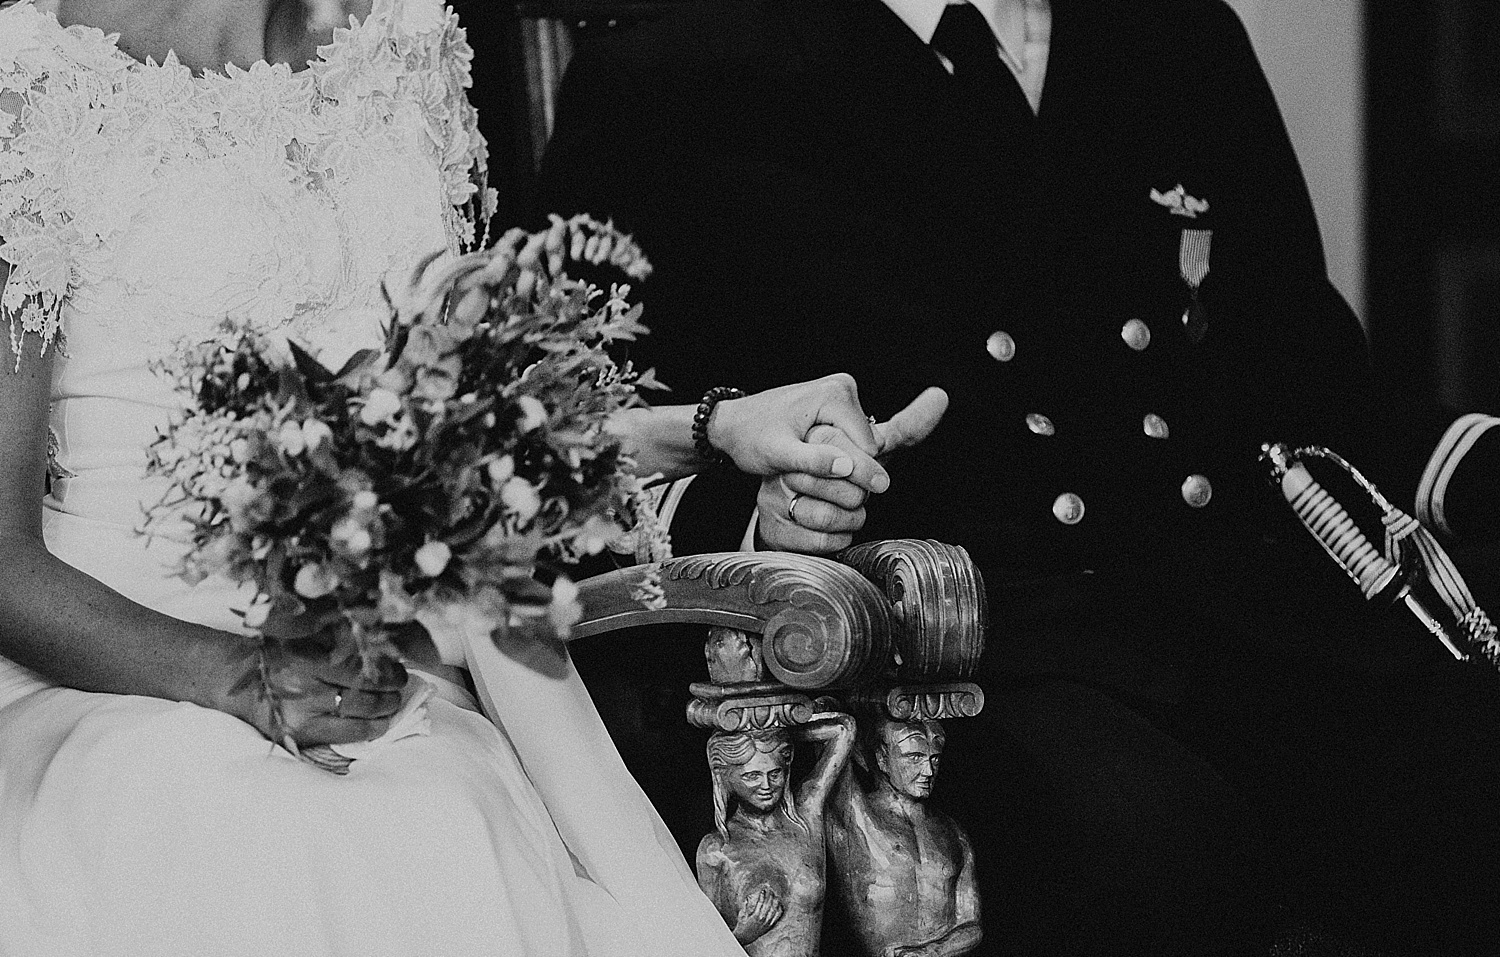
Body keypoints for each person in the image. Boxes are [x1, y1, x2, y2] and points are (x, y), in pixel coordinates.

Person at [535, 0, 1500, 953]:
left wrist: (1477, 460)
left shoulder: (1177, 34)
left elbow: (1308, 381)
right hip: (949, 661)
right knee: (1157, 848)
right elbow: (562, 455)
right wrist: (762, 521)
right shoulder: (677, 73)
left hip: (1223, 605)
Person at [0, 1, 947, 954]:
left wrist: (718, 428)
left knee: (438, 831)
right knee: (281, 852)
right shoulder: (29, 77)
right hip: (119, 684)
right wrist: (241, 679)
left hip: (379, 686)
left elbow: (466, 442)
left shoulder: (402, 40)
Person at [695, 714, 855, 956]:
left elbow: (843, 730)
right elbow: (702, 944)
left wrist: (776, 730)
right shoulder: (716, 849)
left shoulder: (804, 819)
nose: (766, 785)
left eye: (775, 773)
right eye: (752, 776)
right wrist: (743, 934)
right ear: (725, 777)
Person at [826, 717, 981, 957]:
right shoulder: (855, 817)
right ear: (882, 759)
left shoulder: (952, 831)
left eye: (934, 759)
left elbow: (972, 925)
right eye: (914, 757)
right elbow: (835, 734)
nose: (928, 771)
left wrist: (929, 952)